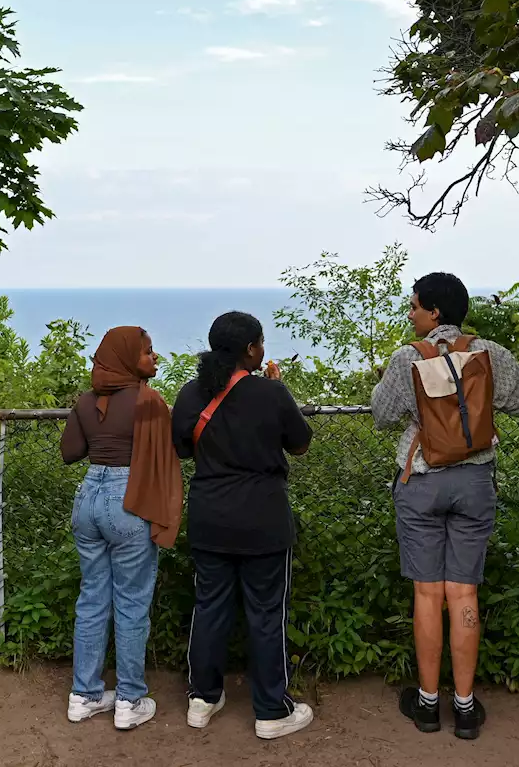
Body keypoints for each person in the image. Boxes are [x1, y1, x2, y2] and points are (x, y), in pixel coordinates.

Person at [371, 273, 519, 740]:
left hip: (422, 483)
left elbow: (383, 416)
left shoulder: (409, 357)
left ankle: (428, 705)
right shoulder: (490, 354)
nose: (410, 314)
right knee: (463, 594)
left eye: (414, 306)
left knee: (427, 595)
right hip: (474, 480)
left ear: (434, 314)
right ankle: (465, 708)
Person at [171, 311, 315, 741]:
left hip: (210, 515)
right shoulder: (271, 393)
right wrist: (277, 388)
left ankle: (203, 698)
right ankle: (271, 711)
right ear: (252, 350)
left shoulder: (191, 394)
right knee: (267, 613)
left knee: (210, 607)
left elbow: (181, 448)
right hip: (263, 520)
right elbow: (301, 443)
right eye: (261, 342)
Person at [60, 326, 184, 731]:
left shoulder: (85, 401)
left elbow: (70, 452)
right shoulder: (149, 401)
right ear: (128, 357)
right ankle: (130, 700)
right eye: (148, 352)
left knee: (92, 598)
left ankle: (84, 695)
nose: (155, 358)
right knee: (130, 603)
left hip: (88, 500)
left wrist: (95, 426)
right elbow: (168, 454)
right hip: (128, 500)